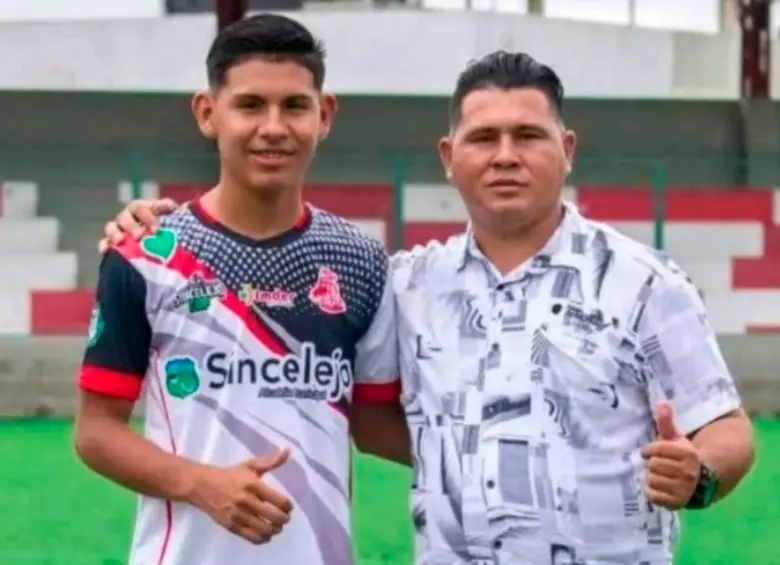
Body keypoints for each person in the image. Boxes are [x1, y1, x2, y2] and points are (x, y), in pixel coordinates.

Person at [101, 51, 755, 564]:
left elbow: (727, 430)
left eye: (528, 134)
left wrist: (698, 474)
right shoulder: (408, 283)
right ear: (450, 157)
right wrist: (144, 232)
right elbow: (369, 415)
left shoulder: (643, 282)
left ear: (567, 148)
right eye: (483, 137)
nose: (505, 155)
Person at [74, 14, 409, 565]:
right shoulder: (148, 255)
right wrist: (200, 483)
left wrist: (508, 453)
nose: (274, 126)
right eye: (250, 105)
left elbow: (374, 425)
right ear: (208, 113)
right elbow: (95, 432)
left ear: (324, 115)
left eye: (295, 106)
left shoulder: (361, 260)